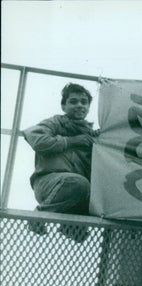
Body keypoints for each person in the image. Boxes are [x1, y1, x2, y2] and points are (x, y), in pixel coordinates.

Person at [22, 83, 97, 242]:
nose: (79, 105)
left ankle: (70, 226)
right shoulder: (55, 123)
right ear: (63, 106)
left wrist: (100, 141)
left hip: (76, 192)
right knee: (78, 182)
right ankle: (39, 216)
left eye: (84, 102)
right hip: (50, 184)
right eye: (73, 101)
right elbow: (36, 139)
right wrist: (71, 141)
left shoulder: (90, 135)